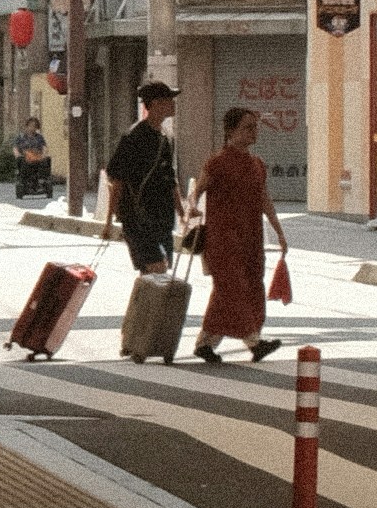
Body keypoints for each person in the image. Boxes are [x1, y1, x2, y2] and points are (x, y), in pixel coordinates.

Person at [192, 100, 282, 363]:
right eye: (247, 127)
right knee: (233, 288)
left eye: (255, 127)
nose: (253, 132)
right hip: (222, 238)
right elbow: (197, 191)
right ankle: (255, 343)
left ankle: (205, 343)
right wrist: (191, 210)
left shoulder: (257, 165)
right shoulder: (217, 163)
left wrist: (279, 231)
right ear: (230, 131)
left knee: (247, 287)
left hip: (251, 238)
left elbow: (265, 199)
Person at [102, 77, 183, 281]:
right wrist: (108, 222)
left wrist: (181, 211)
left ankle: (146, 311)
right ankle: (144, 311)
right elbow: (117, 180)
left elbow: (169, 177)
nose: (173, 104)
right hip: (138, 216)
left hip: (162, 217)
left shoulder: (165, 137)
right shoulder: (133, 137)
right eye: (169, 100)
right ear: (155, 104)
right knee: (156, 269)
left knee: (156, 275)